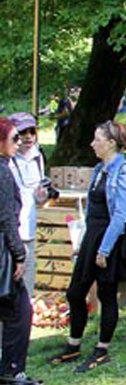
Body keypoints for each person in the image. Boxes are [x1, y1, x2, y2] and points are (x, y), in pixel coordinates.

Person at [46, 121, 126, 372]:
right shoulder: (99, 169)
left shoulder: (124, 171)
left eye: (97, 139)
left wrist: (104, 250)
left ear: (111, 143)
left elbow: (120, 215)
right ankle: (73, 345)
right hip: (92, 237)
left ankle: (102, 349)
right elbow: (91, 209)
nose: (92, 143)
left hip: (109, 239)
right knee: (76, 292)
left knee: (107, 294)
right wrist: (84, 241)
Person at [0, 118, 41, 385]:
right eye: (14, 138)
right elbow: (6, 217)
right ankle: (13, 370)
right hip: (3, 249)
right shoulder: (3, 171)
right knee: (20, 311)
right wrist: (19, 254)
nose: (19, 142)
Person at [9, 113, 49, 294]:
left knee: (27, 281)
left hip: (29, 229)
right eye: (23, 132)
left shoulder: (38, 156)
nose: (28, 137)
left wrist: (42, 195)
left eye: (32, 132)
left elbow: (38, 197)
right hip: (10, 230)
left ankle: (26, 309)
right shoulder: (7, 159)